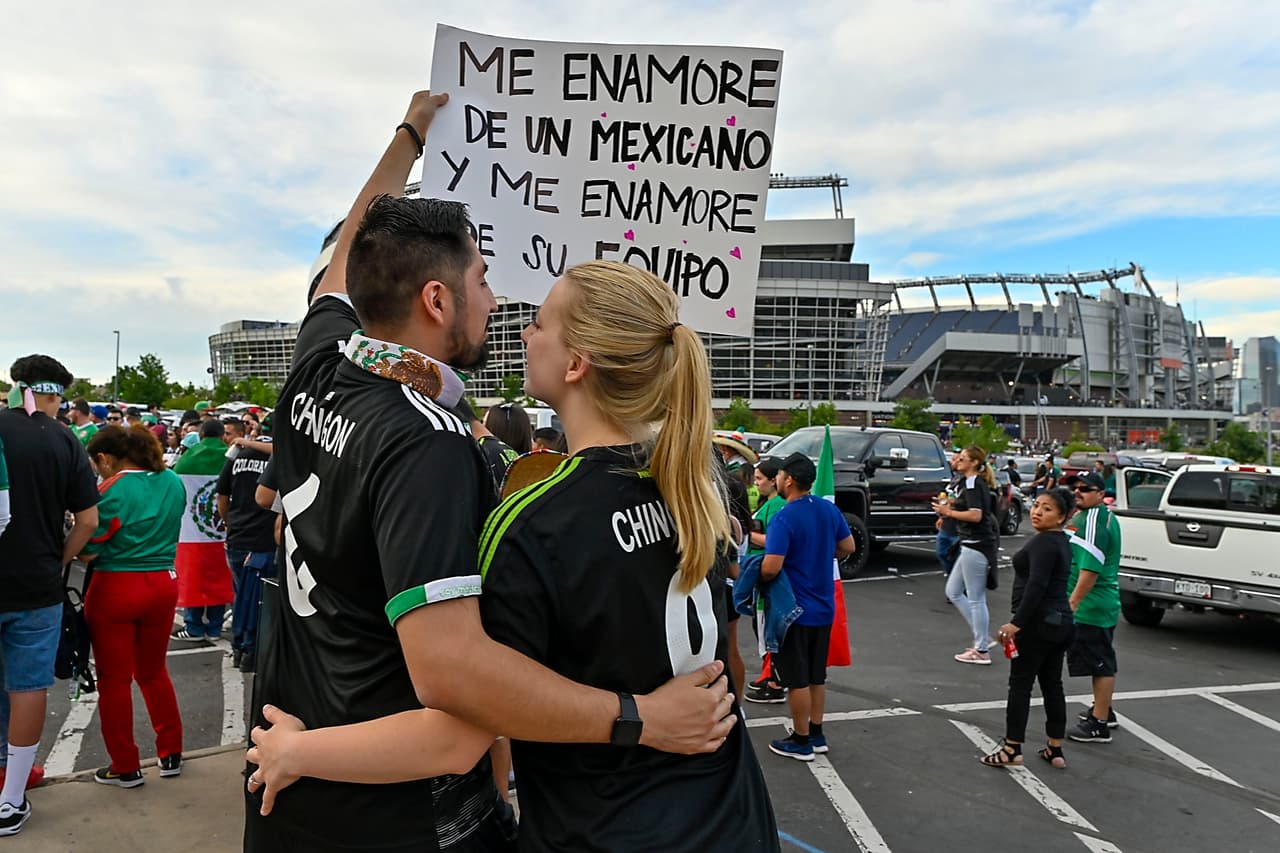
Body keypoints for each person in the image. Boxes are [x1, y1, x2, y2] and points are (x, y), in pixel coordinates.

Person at [244, 91, 735, 852]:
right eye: (483, 279)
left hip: (295, 776)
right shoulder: (432, 444)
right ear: (437, 299)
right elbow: (457, 687)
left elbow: (349, 256)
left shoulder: (318, 361)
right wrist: (639, 717)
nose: (500, 301)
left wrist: (409, 134)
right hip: (400, 816)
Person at [0, 355, 100, 837]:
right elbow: (88, 521)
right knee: (27, 687)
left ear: (19, 386)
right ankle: (12, 796)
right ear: (58, 394)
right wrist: (60, 560)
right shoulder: (65, 440)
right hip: (37, 584)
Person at [79, 426, 186, 787]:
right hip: (164, 581)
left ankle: (125, 765)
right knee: (154, 672)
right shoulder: (172, 481)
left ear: (105, 458)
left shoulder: (113, 489)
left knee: (114, 681)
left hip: (116, 586)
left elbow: (89, 549)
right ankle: (171, 752)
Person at [761, 452, 855, 762]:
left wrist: (755, 575)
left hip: (794, 611)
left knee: (795, 679)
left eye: (779, 475)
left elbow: (772, 567)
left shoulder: (784, 517)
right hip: (823, 607)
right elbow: (848, 547)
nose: (776, 479)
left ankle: (800, 740)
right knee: (816, 675)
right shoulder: (828, 509)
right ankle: (816, 733)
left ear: (788, 480)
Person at [983, 486, 1077, 769]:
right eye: (1036, 506)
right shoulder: (1061, 542)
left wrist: (1016, 624)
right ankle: (1055, 747)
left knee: (1021, 685)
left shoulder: (1043, 543)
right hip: (1061, 622)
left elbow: (1036, 586)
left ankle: (1012, 748)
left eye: (1047, 509)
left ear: (1061, 517)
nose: (1037, 512)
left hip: (1037, 624)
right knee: (1052, 683)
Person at [1062, 471, 1122, 743]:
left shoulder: (1094, 521)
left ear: (1100, 493)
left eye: (1085, 489)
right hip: (1096, 604)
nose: (1078, 492)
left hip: (1091, 605)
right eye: (1075, 487)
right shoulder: (1092, 516)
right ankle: (1103, 710)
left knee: (1101, 664)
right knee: (1099, 659)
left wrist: (1072, 603)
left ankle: (1099, 724)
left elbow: (1090, 569)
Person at [217, 422, 277, 672]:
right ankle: (250, 649)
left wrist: (229, 522)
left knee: (241, 595)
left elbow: (222, 495)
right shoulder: (279, 456)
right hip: (263, 538)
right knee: (258, 601)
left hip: (239, 535)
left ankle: (241, 648)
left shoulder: (238, 454)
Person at [170, 419, 234, 642]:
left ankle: (194, 627)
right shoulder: (231, 457)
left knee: (192, 578)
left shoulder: (187, 459)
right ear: (222, 435)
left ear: (201, 435)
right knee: (220, 578)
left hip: (191, 533)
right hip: (223, 531)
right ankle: (215, 628)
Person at [936, 445, 999, 664]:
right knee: (953, 591)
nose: (958, 460)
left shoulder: (973, 483)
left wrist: (949, 512)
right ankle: (983, 637)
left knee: (976, 598)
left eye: (963, 458)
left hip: (977, 544)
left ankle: (981, 649)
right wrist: (948, 509)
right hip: (969, 544)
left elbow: (976, 515)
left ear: (974, 462)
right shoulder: (967, 483)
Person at [744, 458, 787, 705]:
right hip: (758, 572)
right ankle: (768, 675)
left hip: (766, 573)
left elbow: (774, 542)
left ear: (774, 480)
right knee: (761, 626)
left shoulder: (777, 506)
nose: (756, 483)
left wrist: (747, 534)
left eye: (760, 479)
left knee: (767, 628)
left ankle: (774, 681)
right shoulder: (769, 503)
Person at [935, 449, 963, 579]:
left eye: (955, 459)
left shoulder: (969, 482)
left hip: (960, 527)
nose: (952, 462)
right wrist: (942, 516)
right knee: (941, 552)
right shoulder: (954, 479)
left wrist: (951, 505)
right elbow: (946, 498)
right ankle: (952, 576)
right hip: (947, 524)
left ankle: (957, 582)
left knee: (958, 558)